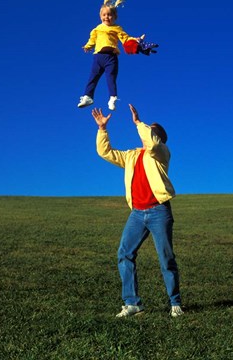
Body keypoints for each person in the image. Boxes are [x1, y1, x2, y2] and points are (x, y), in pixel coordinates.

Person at [91, 104, 184, 318]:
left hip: (159, 211)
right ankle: (133, 304)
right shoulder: (132, 156)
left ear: (157, 137)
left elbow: (151, 144)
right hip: (137, 213)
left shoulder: (161, 153)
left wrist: (138, 123)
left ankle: (175, 303)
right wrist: (102, 129)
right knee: (124, 253)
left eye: (150, 131)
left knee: (165, 257)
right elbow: (105, 152)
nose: (145, 133)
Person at [78, 0, 158, 111]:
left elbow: (125, 38)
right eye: (104, 15)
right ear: (101, 16)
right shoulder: (97, 29)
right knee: (93, 77)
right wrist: (87, 46)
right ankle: (88, 96)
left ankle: (112, 98)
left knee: (110, 78)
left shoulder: (117, 28)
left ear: (115, 17)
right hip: (98, 56)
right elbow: (92, 39)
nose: (107, 17)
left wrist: (135, 40)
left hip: (111, 57)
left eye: (110, 15)